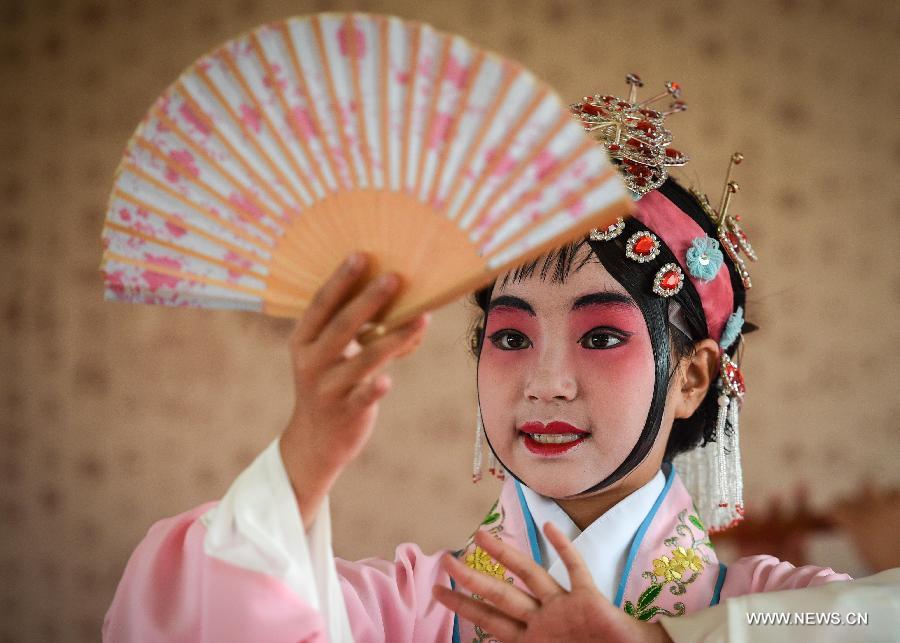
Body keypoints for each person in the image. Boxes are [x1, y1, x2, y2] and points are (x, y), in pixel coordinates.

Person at [103, 80, 892, 642]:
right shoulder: (402, 609)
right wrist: (308, 450)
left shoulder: (771, 609)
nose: (545, 382)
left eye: (603, 335)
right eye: (511, 337)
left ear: (693, 376)